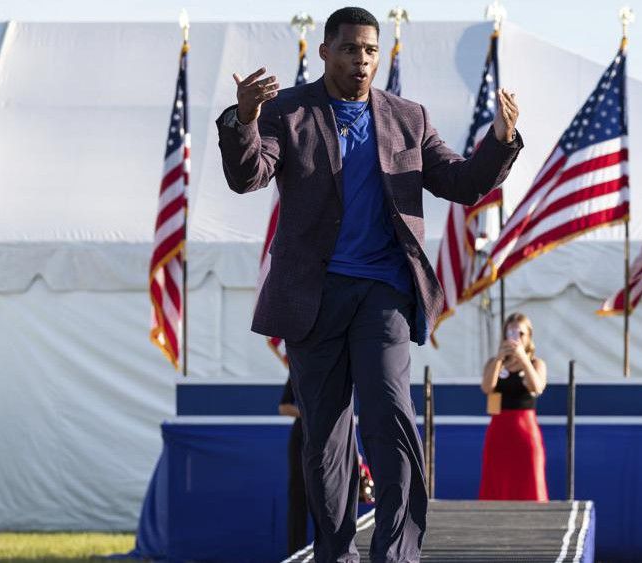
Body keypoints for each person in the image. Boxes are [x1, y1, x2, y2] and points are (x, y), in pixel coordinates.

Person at [216, 7, 523, 562]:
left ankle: (396, 551)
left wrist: (501, 141)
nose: (362, 60)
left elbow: (460, 181)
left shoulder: (408, 117)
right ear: (325, 52)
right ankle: (336, 552)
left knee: (390, 415)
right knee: (325, 441)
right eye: (352, 49)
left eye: (371, 51)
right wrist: (244, 119)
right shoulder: (288, 111)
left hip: (383, 293)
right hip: (313, 298)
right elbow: (247, 175)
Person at [478, 313, 549, 501]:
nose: (515, 337)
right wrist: (499, 359)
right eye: (510, 332)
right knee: (496, 481)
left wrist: (523, 359)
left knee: (529, 481)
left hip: (525, 430)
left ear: (529, 337)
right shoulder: (494, 362)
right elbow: (487, 387)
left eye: (520, 333)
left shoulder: (536, 363)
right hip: (499, 429)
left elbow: (537, 387)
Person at [278, 378, 309, 555]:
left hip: (330, 435)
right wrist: (308, 413)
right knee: (298, 496)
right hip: (302, 438)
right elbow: (283, 407)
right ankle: (296, 552)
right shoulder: (298, 371)